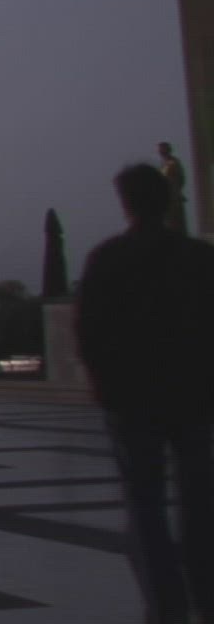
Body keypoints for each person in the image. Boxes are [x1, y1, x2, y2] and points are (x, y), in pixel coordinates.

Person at [78, 163, 214, 623]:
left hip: (133, 399)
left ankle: (165, 602)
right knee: (200, 501)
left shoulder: (109, 258)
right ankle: (206, 592)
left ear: (126, 203)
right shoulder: (199, 258)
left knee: (145, 503)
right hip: (194, 396)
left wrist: (105, 385)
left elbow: (89, 330)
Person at [160, 142, 190, 233]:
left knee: (177, 222)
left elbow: (181, 178)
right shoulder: (163, 164)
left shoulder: (173, 162)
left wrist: (175, 189)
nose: (160, 152)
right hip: (167, 198)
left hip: (174, 197)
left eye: (162, 149)